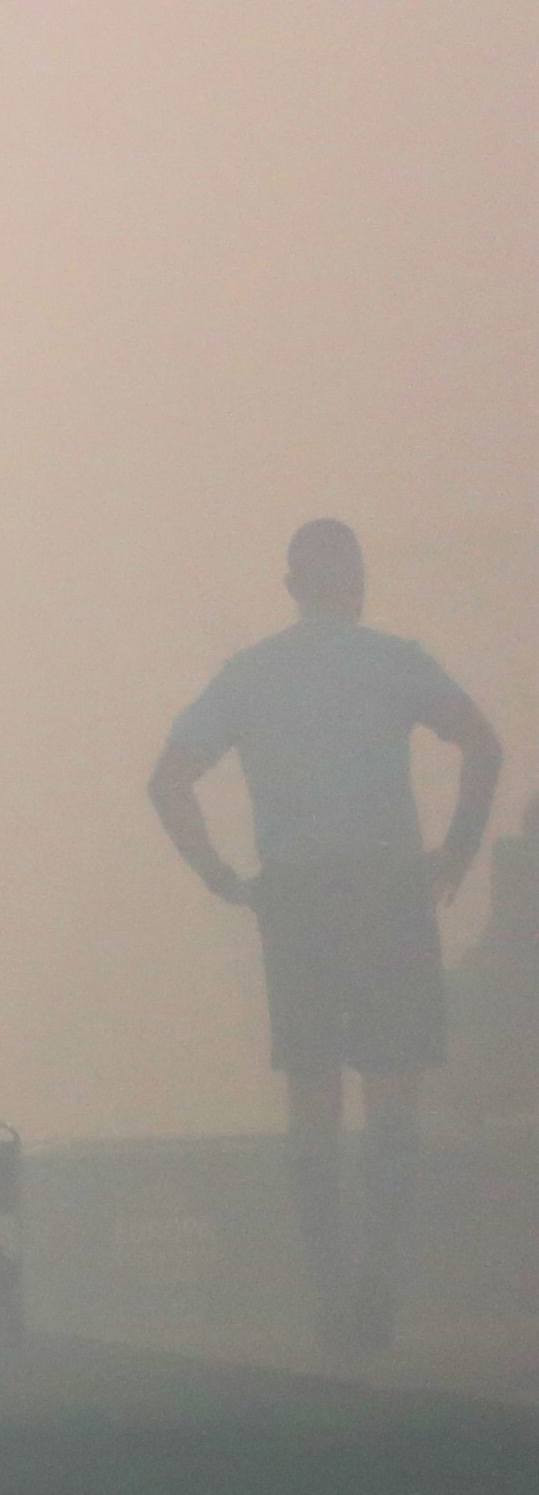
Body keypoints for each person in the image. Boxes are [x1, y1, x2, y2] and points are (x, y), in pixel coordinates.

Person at [150, 520, 504, 1360]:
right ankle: (378, 1278)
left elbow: (168, 780)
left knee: (311, 1094)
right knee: (392, 1095)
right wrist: (455, 851)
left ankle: (325, 1291)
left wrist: (219, 874)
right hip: (386, 890)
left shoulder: (251, 673)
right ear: (360, 581)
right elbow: (483, 744)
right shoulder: (393, 659)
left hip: (297, 896)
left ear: (290, 585)